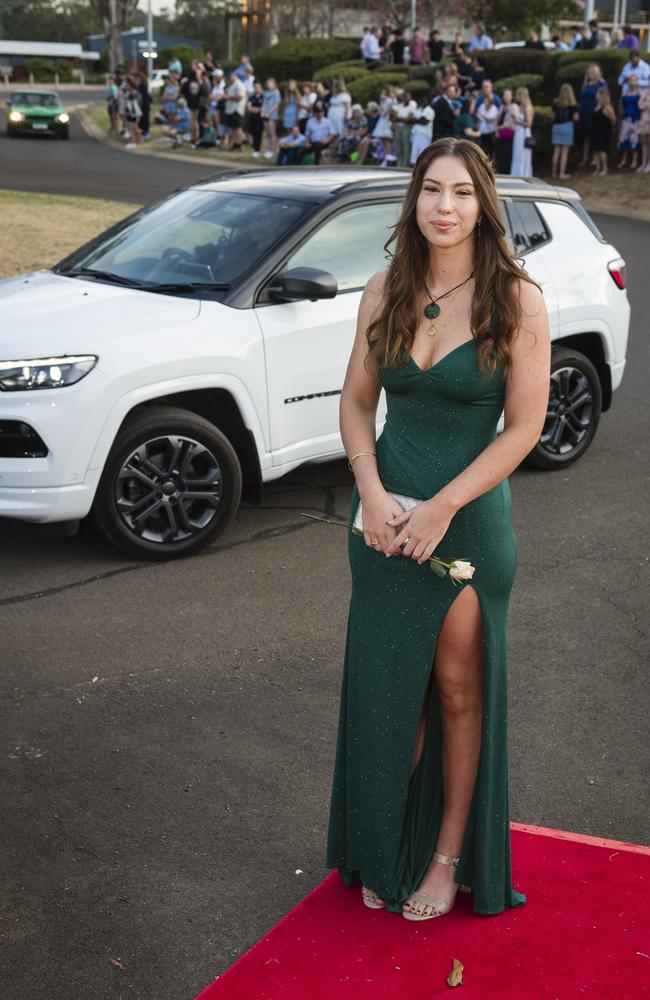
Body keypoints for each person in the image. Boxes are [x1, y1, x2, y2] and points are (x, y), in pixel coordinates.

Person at [326, 135, 549, 920]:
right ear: (413, 199)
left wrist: (442, 505)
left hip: (465, 520)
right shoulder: (385, 286)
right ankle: (386, 841)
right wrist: (370, 489)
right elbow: (356, 400)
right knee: (390, 687)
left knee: (455, 690)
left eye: (460, 192)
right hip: (383, 521)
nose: (444, 207)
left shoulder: (517, 298)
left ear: (484, 205)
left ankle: (448, 859)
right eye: (431, 190)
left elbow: (524, 428)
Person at [577, 64, 606, 166]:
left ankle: (594, 158)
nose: (590, 74)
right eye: (588, 73)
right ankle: (585, 157)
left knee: (593, 135)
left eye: (592, 72)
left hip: (594, 112)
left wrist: (598, 109)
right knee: (585, 136)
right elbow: (581, 98)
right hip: (584, 111)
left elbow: (604, 97)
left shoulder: (601, 84)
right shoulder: (586, 84)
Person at [551, 83, 579, 179]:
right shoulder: (573, 104)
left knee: (556, 150)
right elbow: (576, 118)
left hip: (556, 126)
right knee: (564, 152)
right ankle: (562, 174)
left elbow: (553, 115)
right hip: (567, 126)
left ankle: (554, 173)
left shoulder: (556, 102)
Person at [588, 86, 616, 175]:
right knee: (595, 150)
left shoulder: (607, 107)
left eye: (597, 93)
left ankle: (605, 168)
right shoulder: (597, 105)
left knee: (601, 150)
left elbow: (613, 119)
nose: (596, 95)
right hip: (595, 131)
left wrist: (612, 128)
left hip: (603, 131)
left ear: (602, 95)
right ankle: (598, 168)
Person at [617, 75, 641, 170]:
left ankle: (634, 160)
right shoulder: (625, 92)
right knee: (624, 137)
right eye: (631, 80)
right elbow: (622, 105)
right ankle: (624, 159)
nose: (632, 82)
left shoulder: (639, 92)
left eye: (634, 80)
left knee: (634, 138)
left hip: (635, 117)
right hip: (626, 118)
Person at [510, 86, 534, 177]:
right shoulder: (520, 107)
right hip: (518, 132)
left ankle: (523, 174)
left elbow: (529, 123)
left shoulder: (528, 107)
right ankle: (516, 174)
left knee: (522, 154)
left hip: (524, 133)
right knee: (517, 154)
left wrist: (517, 121)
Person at [494, 89, 519, 173]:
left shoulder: (514, 106)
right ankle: (500, 171)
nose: (506, 97)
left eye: (508, 95)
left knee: (507, 154)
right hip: (500, 134)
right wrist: (497, 130)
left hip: (508, 134)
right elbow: (497, 120)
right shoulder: (502, 107)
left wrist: (500, 127)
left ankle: (506, 172)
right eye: (505, 95)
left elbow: (512, 123)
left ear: (512, 96)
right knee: (500, 154)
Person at [392, 89, 417, 167]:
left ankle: (405, 166)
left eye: (407, 96)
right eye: (405, 96)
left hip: (407, 128)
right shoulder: (400, 105)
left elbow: (409, 119)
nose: (406, 98)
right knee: (398, 147)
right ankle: (399, 165)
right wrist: (403, 119)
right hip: (398, 128)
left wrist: (400, 118)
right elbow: (394, 118)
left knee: (406, 147)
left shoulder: (413, 103)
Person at [224, 70, 247, 151]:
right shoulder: (232, 85)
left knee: (238, 128)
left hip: (237, 110)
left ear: (234, 76)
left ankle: (239, 145)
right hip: (231, 110)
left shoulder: (239, 85)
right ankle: (234, 145)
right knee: (233, 129)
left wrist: (228, 97)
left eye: (230, 77)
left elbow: (240, 97)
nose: (229, 79)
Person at [410, 92, 434, 164]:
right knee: (415, 152)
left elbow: (425, 122)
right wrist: (420, 119)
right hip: (416, 133)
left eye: (424, 100)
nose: (423, 102)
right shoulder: (418, 109)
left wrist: (418, 120)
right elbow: (412, 120)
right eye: (422, 100)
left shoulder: (430, 111)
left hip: (425, 134)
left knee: (424, 152)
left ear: (428, 101)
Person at [261, 76, 280, 158]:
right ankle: (268, 150)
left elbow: (276, 105)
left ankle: (273, 150)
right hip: (265, 115)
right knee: (267, 133)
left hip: (272, 115)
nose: (269, 84)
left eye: (270, 83)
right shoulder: (265, 92)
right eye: (268, 83)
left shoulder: (276, 92)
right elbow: (264, 103)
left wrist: (269, 112)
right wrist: (263, 112)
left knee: (272, 133)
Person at [476, 90, 498, 158]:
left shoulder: (494, 109)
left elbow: (489, 119)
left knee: (490, 150)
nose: (484, 103)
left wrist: (483, 115)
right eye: (484, 101)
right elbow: (478, 115)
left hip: (490, 133)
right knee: (482, 149)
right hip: (482, 132)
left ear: (490, 102)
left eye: (486, 102)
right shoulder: (482, 106)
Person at [247, 80, 264, 157]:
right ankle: (253, 147)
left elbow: (263, 107)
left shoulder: (263, 97)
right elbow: (249, 107)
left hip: (260, 118)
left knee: (258, 134)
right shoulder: (252, 97)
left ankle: (257, 149)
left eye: (258, 87)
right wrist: (254, 109)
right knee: (252, 133)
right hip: (252, 117)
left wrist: (256, 109)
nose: (257, 88)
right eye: (255, 87)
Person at [635, 86, 650, 171]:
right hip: (644, 119)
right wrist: (646, 105)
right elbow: (639, 104)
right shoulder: (645, 92)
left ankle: (649, 163)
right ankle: (643, 162)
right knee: (644, 142)